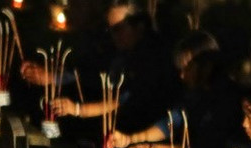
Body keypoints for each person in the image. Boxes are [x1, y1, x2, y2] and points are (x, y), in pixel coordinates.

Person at [26, 0, 177, 136]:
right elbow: (88, 72)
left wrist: (78, 109)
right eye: (110, 29)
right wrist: (53, 77)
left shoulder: (153, 58)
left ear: (139, 27)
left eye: (118, 29)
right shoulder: (115, 49)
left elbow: (123, 100)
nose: (113, 35)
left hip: (136, 133)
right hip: (105, 127)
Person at [111, 31, 243, 148]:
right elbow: (170, 123)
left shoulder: (226, 99)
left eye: (187, 68)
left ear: (207, 65)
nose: (182, 75)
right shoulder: (195, 95)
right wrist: (131, 139)